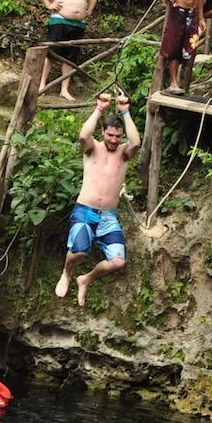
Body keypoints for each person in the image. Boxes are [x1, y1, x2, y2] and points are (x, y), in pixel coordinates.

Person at [55, 92, 141, 306]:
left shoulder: (123, 154)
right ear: (103, 131)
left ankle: (85, 279)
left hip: (108, 217)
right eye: (109, 135)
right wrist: (99, 109)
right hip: (85, 210)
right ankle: (66, 273)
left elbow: (136, 142)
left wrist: (125, 112)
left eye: (117, 137)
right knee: (80, 252)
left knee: (118, 262)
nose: (113, 140)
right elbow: (83, 136)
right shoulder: (92, 148)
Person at [34, 0, 98, 101]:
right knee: (51, 53)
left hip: (78, 23)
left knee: (70, 57)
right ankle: (42, 85)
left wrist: (90, 8)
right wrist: (49, 4)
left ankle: (64, 89)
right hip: (60, 19)